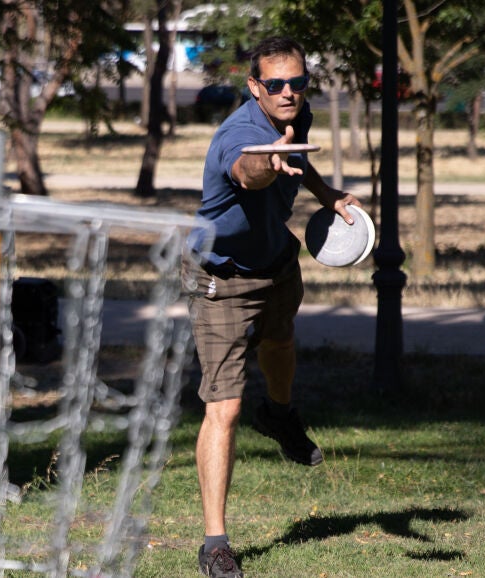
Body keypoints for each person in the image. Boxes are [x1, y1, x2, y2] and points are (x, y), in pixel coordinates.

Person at [186, 37, 363, 578]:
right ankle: (215, 543)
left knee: (281, 340)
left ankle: (279, 414)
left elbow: (295, 156)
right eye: (276, 85)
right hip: (222, 277)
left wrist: (327, 193)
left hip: (278, 261)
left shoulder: (295, 115)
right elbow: (248, 170)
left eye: (298, 83)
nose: (289, 93)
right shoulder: (238, 134)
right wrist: (270, 161)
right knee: (224, 408)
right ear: (254, 87)